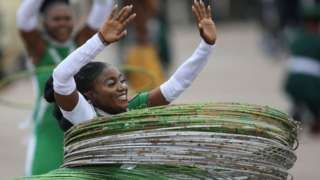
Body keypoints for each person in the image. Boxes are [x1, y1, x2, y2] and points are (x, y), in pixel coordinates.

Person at [48, 0, 216, 131]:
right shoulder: (84, 115)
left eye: (121, 80)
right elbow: (61, 76)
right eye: (111, 83)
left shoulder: (131, 108)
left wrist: (206, 46)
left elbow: (176, 84)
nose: (122, 87)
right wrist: (100, 40)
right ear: (91, 95)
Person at [16, 0, 113, 175]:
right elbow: (23, 18)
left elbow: (103, 5)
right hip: (48, 130)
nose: (62, 23)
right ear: (44, 22)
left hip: (79, 128)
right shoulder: (38, 48)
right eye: (56, 19)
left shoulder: (81, 44)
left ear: (74, 20)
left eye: (67, 18)